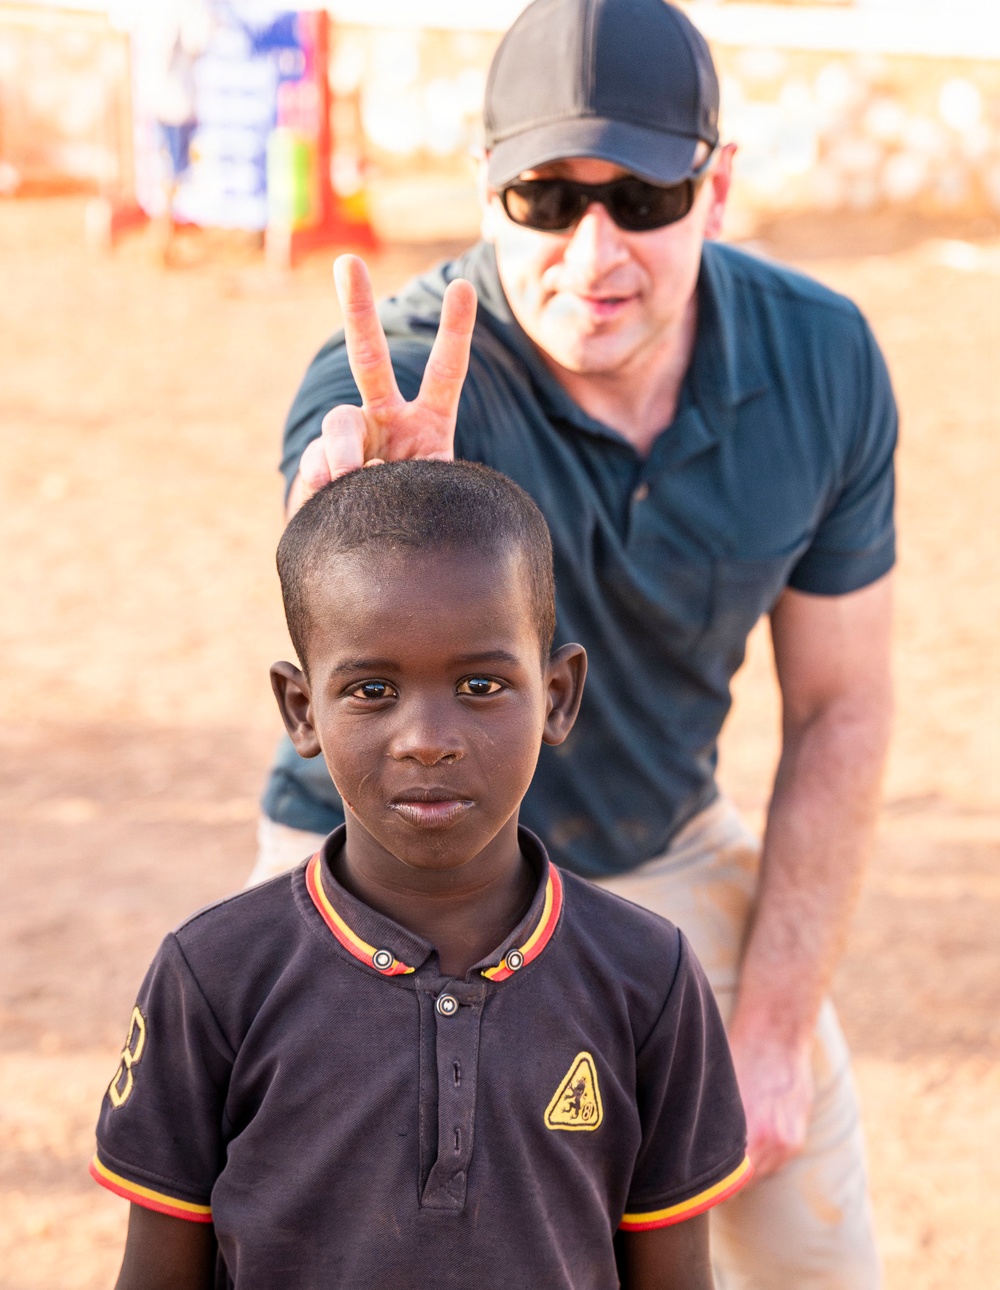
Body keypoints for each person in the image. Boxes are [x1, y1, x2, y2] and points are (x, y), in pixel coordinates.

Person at [257, 0, 896, 1285]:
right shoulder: (398, 381)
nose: (593, 253)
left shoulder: (820, 361)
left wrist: (772, 1035)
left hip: (661, 848)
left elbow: (841, 704)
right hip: (390, 875)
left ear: (718, 188)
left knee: (815, 1240)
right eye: (545, 200)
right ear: (485, 189)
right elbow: (327, 521)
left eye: (643, 199)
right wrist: (384, 520)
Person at [91, 461, 752, 1290]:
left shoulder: (647, 977)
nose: (427, 740)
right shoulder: (215, 976)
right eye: (373, 689)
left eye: (481, 685)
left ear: (556, 695)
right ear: (301, 709)